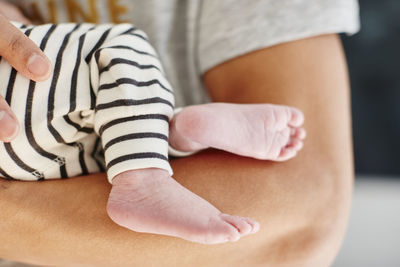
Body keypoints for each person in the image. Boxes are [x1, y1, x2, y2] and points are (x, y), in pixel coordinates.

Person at [0, 0, 359, 266]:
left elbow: (305, 217)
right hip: (20, 113)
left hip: (35, 155)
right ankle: (145, 174)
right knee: (118, 49)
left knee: (96, 138)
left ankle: (167, 135)